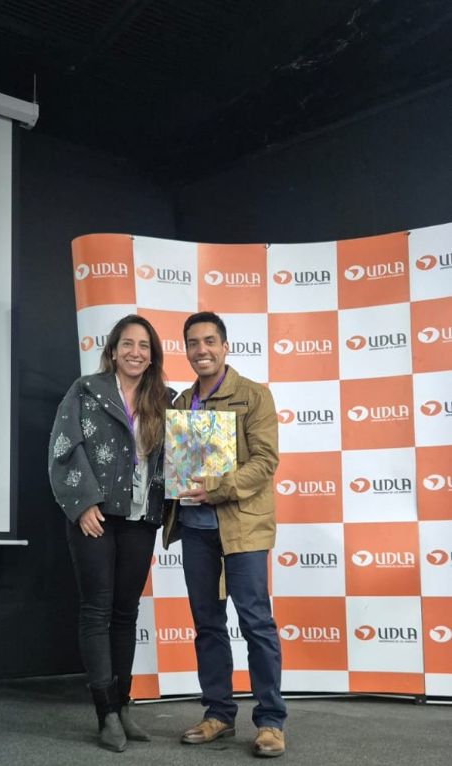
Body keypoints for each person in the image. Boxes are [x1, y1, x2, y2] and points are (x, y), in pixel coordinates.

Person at [163, 311, 287, 758]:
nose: (202, 350)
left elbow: (265, 462)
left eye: (210, 341)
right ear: (186, 350)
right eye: (193, 343)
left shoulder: (254, 395)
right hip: (195, 531)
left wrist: (217, 487)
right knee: (207, 626)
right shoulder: (181, 403)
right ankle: (218, 714)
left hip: (244, 529)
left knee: (256, 623)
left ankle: (270, 722)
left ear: (225, 346)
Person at [49, 314, 172, 753]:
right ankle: (105, 714)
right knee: (96, 609)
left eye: (144, 346)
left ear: (152, 355)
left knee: (125, 613)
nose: (136, 352)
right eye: (128, 344)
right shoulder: (85, 390)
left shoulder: (166, 400)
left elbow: (178, 459)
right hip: (96, 516)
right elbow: (65, 446)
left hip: (141, 517)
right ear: (113, 350)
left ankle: (123, 706)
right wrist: (83, 503)